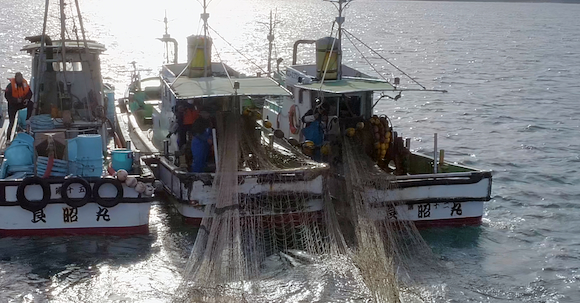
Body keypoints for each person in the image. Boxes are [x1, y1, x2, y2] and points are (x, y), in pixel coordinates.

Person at [4, 72, 34, 140]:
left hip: (22, 103)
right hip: (13, 105)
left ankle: (27, 119)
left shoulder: (24, 84)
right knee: (11, 122)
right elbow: (7, 96)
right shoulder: (10, 86)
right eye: (19, 78)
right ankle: (8, 139)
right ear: (16, 78)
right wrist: (15, 100)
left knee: (31, 103)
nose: (20, 79)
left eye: (21, 78)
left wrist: (26, 99)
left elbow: (30, 93)